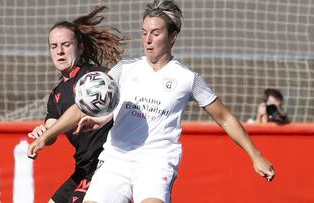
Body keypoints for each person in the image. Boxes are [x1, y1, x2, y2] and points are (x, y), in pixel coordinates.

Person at [28, 1, 275, 202]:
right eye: (144, 33)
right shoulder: (125, 69)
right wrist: (48, 136)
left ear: (172, 36)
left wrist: (255, 155)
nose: (147, 40)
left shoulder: (187, 78)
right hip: (116, 159)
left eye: (155, 33)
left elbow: (225, 117)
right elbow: (81, 106)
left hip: (156, 163)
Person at [27, 6, 126, 203]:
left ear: (80, 47)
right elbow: (52, 130)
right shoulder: (55, 95)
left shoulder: (94, 78)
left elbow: (79, 111)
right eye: (54, 46)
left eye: (65, 44)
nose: (60, 51)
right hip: (82, 168)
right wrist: (43, 134)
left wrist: (47, 134)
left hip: (104, 165)